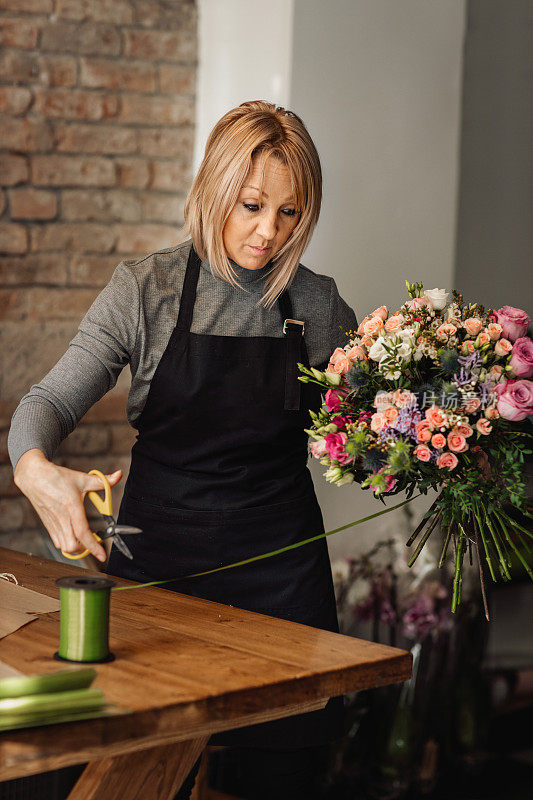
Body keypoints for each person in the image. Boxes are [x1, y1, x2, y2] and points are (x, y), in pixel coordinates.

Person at [9, 100, 358, 799]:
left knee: (278, 776)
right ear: (214, 188)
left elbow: (360, 452)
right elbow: (44, 404)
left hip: (279, 585)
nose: (267, 233)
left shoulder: (316, 307)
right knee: (123, 771)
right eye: (251, 204)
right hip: (156, 577)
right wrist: (34, 469)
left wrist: (418, 437)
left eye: (289, 214)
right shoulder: (147, 290)